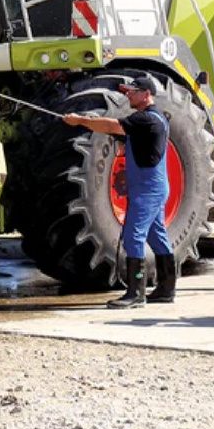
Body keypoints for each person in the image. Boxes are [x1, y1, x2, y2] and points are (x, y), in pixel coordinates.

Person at [63, 75, 175, 308]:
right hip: (152, 188)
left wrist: (81, 121)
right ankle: (166, 289)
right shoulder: (150, 121)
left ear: (146, 94)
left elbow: (113, 125)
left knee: (133, 237)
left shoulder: (146, 119)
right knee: (157, 236)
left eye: (133, 91)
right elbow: (120, 132)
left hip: (148, 191)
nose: (128, 95)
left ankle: (136, 294)